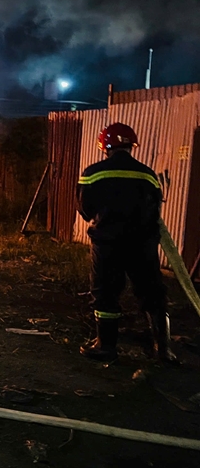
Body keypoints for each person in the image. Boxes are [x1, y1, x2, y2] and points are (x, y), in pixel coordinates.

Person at [77, 122, 177, 363]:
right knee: (152, 293)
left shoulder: (92, 173)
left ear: (105, 147)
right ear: (132, 145)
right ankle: (163, 350)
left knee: (105, 293)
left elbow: (85, 210)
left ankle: (105, 345)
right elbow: (155, 210)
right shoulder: (148, 175)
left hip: (108, 244)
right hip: (143, 245)